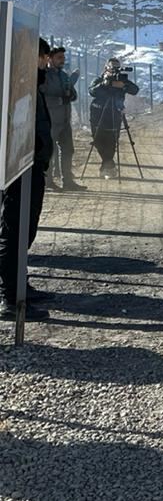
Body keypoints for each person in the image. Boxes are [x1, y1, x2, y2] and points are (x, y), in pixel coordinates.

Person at [1, 38, 54, 321]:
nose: (46, 62)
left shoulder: (33, 82)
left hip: (31, 167)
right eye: (42, 57)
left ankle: (19, 284)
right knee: (12, 231)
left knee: (25, 231)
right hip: (17, 169)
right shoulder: (17, 83)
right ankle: (9, 297)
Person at [40, 45, 85, 192]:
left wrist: (70, 95)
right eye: (59, 57)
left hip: (65, 121)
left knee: (68, 150)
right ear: (50, 59)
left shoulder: (64, 75)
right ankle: (48, 182)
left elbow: (73, 95)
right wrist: (61, 100)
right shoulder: (44, 76)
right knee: (50, 152)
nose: (62, 60)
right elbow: (42, 97)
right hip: (51, 121)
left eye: (63, 58)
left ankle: (68, 181)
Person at [88, 58, 140, 178]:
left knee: (111, 142)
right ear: (106, 68)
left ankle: (107, 167)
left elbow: (135, 90)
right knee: (98, 140)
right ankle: (109, 165)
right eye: (113, 67)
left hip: (114, 113)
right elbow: (92, 91)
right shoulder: (100, 79)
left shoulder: (122, 80)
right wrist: (105, 84)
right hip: (98, 113)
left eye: (117, 67)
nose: (115, 70)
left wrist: (124, 86)